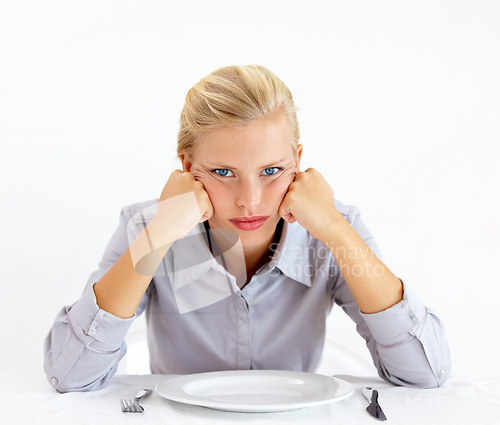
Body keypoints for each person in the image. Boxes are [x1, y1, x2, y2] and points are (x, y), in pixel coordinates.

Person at [44, 64, 450, 392]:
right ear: (187, 168)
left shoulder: (333, 230)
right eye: (224, 172)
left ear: (298, 160)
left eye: (272, 171)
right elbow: (73, 374)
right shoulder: (149, 228)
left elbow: (423, 374)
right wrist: (158, 236)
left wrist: (335, 229)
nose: (250, 199)